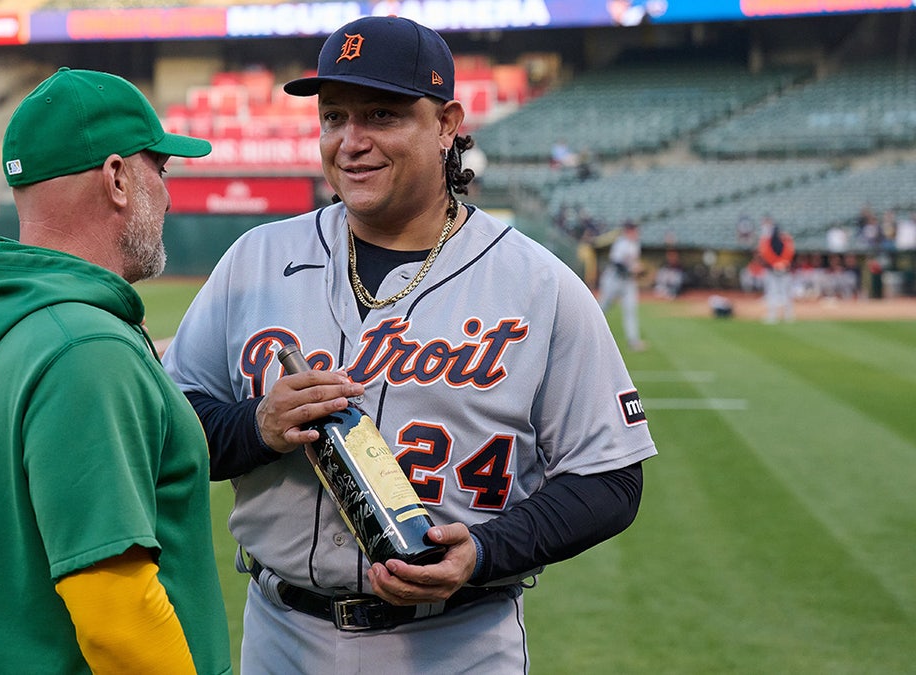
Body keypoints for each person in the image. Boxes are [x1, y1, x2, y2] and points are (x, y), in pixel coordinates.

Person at [163, 17, 657, 674]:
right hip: (280, 633)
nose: (351, 141)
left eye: (381, 115)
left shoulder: (538, 284)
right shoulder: (257, 258)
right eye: (334, 117)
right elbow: (168, 423)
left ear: (448, 123)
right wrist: (257, 424)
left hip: (457, 642)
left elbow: (612, 476)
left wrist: (484, 551)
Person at [0, 67, 232, 675]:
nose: (168, 196)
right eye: (160, 170)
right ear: (118, 178)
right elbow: (118, 617)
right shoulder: (86, 347)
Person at [598, 220, 647, 351]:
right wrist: (632, 270)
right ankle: (587, 333)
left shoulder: (635, 244)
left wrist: (638, 270)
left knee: (630, 310)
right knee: (602, 308)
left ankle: (633, 341)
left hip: (628, 282)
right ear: (628, 231)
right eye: (633, 230)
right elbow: (616, 263)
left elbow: (632, 265)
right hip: (613, 280)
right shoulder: (621, 243)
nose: (636, 232)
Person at [757, 215, 795, 323]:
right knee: (775, 292)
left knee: (781, 292)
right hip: (775, 270)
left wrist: (778, 263)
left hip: (780, 270)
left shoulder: (785, 239)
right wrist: (779, 263)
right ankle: (777, 315)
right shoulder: (766, 240)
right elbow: (766, 253)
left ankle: (785, 315)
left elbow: (788, 252)